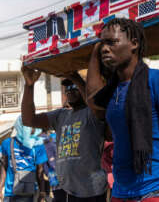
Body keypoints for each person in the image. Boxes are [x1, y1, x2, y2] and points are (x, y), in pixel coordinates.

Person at [85, 18, 159, 202]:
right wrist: (95, 50)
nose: (105, 48)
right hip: (120, 192)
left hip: (157, 191)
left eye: (112, 42)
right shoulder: (112, 91)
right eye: (102, 44)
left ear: (134, 43)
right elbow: (92, 99)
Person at [20, 70, 108, 202]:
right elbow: (28, 120)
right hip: (67, 190)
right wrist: (29, 85)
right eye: (67, 88)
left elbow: (96, 105)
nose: (69, 91)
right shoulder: (60, 115)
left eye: (74, 86)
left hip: (92, 191)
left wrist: (76, 78)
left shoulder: (93, 114)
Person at [0, 116, 47, 202]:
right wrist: (0, 187)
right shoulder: (7, 143)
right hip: (10, 193)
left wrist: (42, 192)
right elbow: (4, 166)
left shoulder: (38, 145)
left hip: (31, 193)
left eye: (32, 126)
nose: (30, 129)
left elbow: (40, 171)